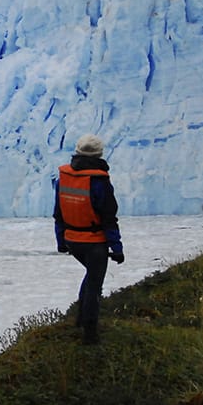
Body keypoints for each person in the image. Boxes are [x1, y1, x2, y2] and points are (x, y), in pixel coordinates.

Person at [53, 133, 123, 344]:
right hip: (93, 242)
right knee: (94, 283)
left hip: (72, 239)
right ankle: (90, 334)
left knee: (91, 276)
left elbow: (58, 213)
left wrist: (61, 242)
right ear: (99, 154)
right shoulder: (99, 182)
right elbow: (109, 217)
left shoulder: (63, 179)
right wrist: (117, 247)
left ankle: (80, 320)